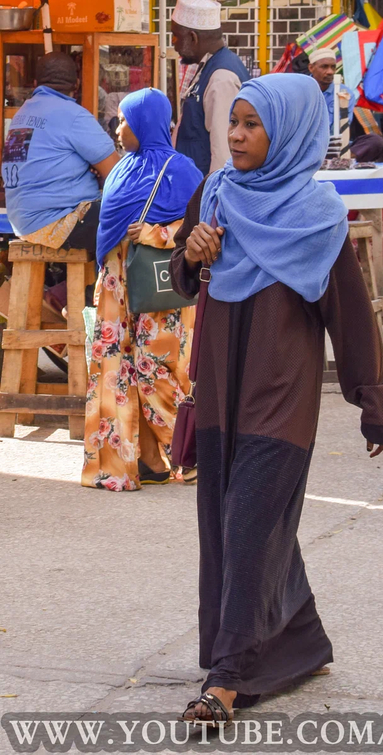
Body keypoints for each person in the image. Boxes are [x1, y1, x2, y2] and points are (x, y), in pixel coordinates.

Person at [169, 73, 383, 724]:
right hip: (218, 392)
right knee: (242, 524)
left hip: (280, 398)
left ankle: (228, 679)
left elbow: (351, 318)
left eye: (250, 125)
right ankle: (300, 639)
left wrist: (371, 400)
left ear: (288, 131)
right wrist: (192, 251)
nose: (235, 136)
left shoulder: (315, 217)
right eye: (231, 123)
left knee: (248, 524)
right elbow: (185, 278)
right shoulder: (216, 194)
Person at [82, 88, 203, 492]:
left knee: (156, 368)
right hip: (118, 283)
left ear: (145, 123)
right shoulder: (121, 169)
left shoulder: (182, 170)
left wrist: (156, 233)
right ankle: (139, 464)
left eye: (125, 121)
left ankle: (193, 451)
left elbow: (201, 230)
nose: (118, 129)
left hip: (162, 285)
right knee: (116, 369)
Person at [2, 52, 119, 256]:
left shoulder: (21, 115)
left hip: (20, 222)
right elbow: (117, 173)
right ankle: (99, 288)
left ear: (36, 83)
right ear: (77, 84)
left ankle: (66, 287)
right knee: (132, 214)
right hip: (57, 222)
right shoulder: (73, 115)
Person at [171, 0, 250, 175]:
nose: (172, 42)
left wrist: (213, 198)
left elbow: (224, 154)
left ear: (193, 37)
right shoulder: (209, 66)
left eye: (175, 35)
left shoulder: (221, 77)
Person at [308, 48, 356, 131]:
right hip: (304, 141)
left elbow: (343, 127)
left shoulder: (345, 93)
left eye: (333, 67)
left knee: (374, 140)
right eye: (324, 67)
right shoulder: (300, 90)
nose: (330, 72)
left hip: (333, 141)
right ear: (311, 68)